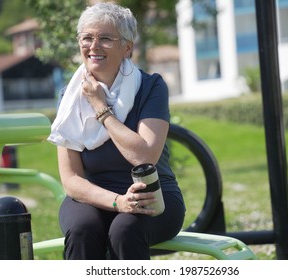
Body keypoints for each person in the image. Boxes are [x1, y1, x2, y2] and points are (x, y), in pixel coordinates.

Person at [47, 2, 185, 260]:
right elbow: (71, 180)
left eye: (105, 38)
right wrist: (116, 201)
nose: (93, 46)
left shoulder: (151, 87)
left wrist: (101, 107)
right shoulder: (70, 98)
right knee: (81, 229)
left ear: (127, 47)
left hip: (152, 195)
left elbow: (144, 157)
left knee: (125, 229)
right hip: (93, 197)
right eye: (87, 38)